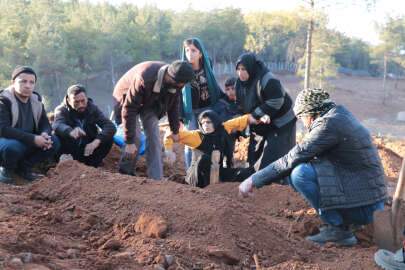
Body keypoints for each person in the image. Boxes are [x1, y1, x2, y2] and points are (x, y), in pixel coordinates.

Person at [238, 88, 387, 246]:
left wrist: (253, 180)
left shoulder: (328, 125)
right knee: (307, 166)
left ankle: (339, 230)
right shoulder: (339, 114)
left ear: (312, 112)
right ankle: (346, 222)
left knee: (299, 174)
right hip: (371, 202)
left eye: (302, 116)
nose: (302, 121)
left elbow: (291, 158)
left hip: (365, 208)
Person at [112, 60, 194, 180]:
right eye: (183, 83)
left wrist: (175, 130)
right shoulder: (145, 78)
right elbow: (129, 108)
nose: (185, 86)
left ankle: (156, 179)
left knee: (154, 137)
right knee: (135, 139)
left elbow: (173, 106)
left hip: (150, 101)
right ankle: (125, 174)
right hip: (126, 100)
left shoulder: (176, 82)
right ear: (172, 79)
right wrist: (129, 141)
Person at [235, 52, 296, 175]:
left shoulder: (267, 78)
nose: (241, 73)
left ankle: (279, 187)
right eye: (239, 69)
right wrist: (241, 122)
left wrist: (256, 114)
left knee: (274, 158)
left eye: (244, 69)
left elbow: (277, 100)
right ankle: (253, 183)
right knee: (254, 157)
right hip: (260, 123)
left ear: (251, 68)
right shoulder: (239, 84)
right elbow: (239, 105)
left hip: (281, 123)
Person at [164, 110, 256, 188]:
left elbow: (242, 120)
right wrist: (168, 150)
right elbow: (171, 135)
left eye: (208, 122)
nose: (205, 125)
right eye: (203, 123)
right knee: (206, 159)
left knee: (245, 172)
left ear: (215, 122)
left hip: (216, 173)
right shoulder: (197, 136)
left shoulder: (223, 129)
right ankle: (211, 189)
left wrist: (259, 117)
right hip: (196, 179)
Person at [0, 66, 60, 182]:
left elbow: (45, 122)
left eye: (31, 82)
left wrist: (44, 134)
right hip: (7, 141)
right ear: (13, 82)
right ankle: (7, 170)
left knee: (54, 141)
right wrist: (33, 139)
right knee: (12, 147)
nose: (28, 85)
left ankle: (24, 168)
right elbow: (3, 129)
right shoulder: (3, 100)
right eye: (23, 81)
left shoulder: (36, 100)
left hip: (27, 141)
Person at [181, 38, 224, 168]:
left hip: (207, 109)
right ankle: (191, 172)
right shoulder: (182, 69)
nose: (190, 54)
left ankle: (210, 170)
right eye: (187, 50)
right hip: (190, 111)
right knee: (190, 143)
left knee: (210, 139)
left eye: (194, 50)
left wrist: (227, 99)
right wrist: (179, 117)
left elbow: (213, 85)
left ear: (201, 53)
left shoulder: (207, 64)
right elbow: (178, 95)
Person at [53, 84, 116, 168]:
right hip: (70, 149)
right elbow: (57, 125)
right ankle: (60, 164)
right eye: (76, 102)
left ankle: (93, 166)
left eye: (83, 101)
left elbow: (110, 126)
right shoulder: (61, 110)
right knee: (55, 138)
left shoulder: (92, 108)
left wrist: (96, 141)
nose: (80, 105)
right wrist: (70, 131)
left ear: (87, 98)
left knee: (108, 138)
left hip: (88, 149)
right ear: (68, 100)